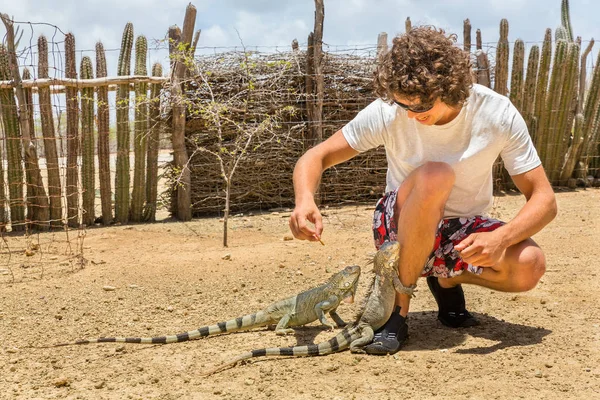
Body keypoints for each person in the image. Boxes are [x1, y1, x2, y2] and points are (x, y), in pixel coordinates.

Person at [288, 26, 557, 355]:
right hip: (399, 223)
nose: (411, 116)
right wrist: (304, 201)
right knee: (435, 176)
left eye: (421, 108)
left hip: (460, 228)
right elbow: (316, 156)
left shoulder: (496, 114)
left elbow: (544, 199)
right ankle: (396, 313)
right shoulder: (391, 111)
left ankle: (446, 279)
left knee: (531, 263)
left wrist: (501, 238)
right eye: (404, 106)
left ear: (450, 88)